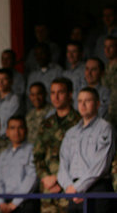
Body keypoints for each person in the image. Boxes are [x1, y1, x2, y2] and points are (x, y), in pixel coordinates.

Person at [57, 87, 116, 212]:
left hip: (97, 189)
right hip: (73, 192)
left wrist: (78, 188)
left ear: (97, 103)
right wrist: (69, 187)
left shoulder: (105, 128)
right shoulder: (70, 133)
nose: (83, 105)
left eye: (87, 101)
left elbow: (101, 164)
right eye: (80, 101)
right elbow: (63, 165)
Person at [33, 77, 81, 213]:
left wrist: (58, 178)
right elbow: (37, 156)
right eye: (53, 93)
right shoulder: (46, 124)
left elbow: (80, 158)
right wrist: (45, 177)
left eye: (60, 92)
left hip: (69, 189)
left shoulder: (79, 122)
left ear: (70, 94)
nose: (56, 97)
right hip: (48, 192)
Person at [0, 116, 38, 213]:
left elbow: (31, 177)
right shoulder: (3, 155)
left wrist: (15, 203)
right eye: (12, 128)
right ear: (7, 132)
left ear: (26, 130)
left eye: (20, 128)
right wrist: (1, 202)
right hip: (5, 204)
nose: (16, 132)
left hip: (25, 203)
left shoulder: (32, 150)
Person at [0, 69, 23, 136]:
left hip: (8, 139)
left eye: (4, 79)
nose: (0, 82)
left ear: (11, 81)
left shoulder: (15, 100)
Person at [103, 36, 117, 129]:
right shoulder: (104, 68)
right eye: (105, 47)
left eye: (110, 46)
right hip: (107, 112)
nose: (107, 50)